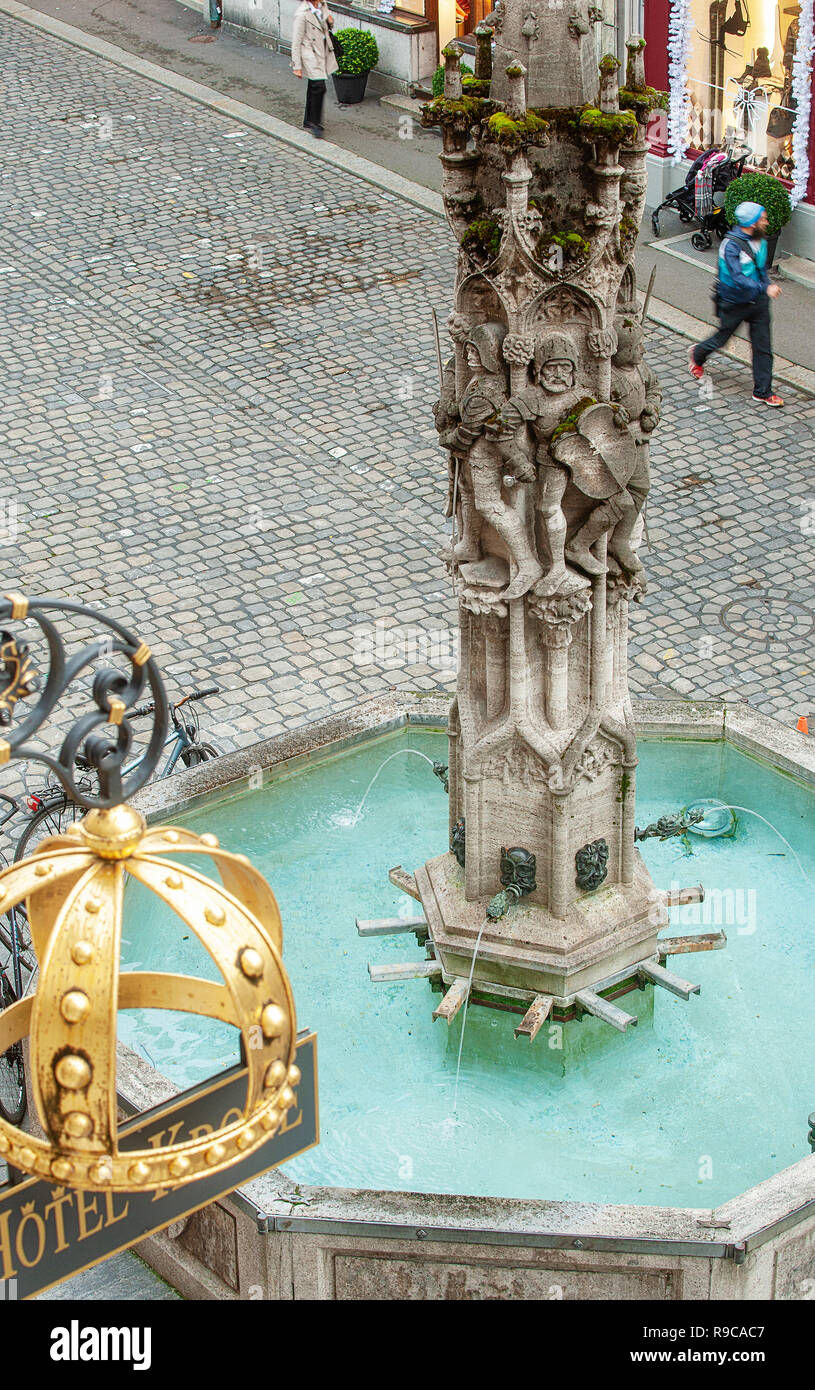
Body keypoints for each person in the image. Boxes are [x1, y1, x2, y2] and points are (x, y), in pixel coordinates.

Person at [689, 200, 783, 407]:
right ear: (752, 222)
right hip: (734, 301)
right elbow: (738, 277)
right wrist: (765, 288)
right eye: (763, 218)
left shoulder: (761, 241)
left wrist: (766, 286)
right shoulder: (730, 246)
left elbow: (761, 270)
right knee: (721, 339)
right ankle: (698, 354)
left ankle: (763, 392)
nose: (766, 222)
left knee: (763, 346)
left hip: (758, 302)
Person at [291, 0, 337, 139]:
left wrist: (330, 20)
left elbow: (328, 26)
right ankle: (316, 124)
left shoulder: (322, 5)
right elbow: (296, 42)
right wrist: (297, 66)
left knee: (313, 85)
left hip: (322, 50)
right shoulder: (302, 14)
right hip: (309, 53)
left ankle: (308, 120)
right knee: (319, 86)